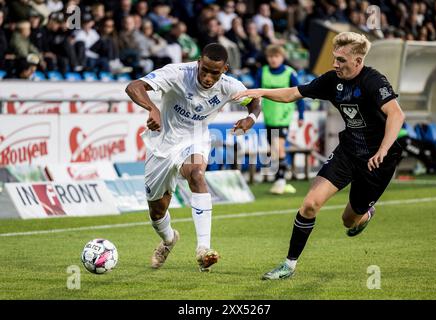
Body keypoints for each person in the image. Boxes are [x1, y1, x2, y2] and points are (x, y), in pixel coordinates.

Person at [233, 32, 405, 280]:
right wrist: (258, 91)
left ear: (358, 61)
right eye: (334, 58)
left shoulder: (373, 81)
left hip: (377, 160)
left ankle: (365, 214)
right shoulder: (331, 80)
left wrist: (383, 149)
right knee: (310, 204)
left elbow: (396, 114)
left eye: (341, 60)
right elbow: (293, 93)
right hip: (348, 152)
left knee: (349, 220)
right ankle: (288, 265)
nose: (335, 64)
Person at [125, 43, 261, 272]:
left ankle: (203, 250)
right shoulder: (176, 73)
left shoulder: (230, 86)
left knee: (197, 175)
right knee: (157, 212)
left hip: (195, 140)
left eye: (214, 73)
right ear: (198, 62)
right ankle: (169, 239)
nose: (207, 77)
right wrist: (151, 108)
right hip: (162, 144)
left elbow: (255, 101)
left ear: (225, 69)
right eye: (204, 70)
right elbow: (134, 86)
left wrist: (251, 119)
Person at [256, 44, 305, 195]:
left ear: (282, 57)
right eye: (270, 57)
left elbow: (299, 94)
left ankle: (281, 180)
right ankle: (280, 177)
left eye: (276, 56)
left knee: (278, 147)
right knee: (274, 149)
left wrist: (301, 115)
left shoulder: (290, 74)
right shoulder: (262, 72)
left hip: (283, 117)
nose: (273, 60)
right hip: (269, 117)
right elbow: (256, 93)